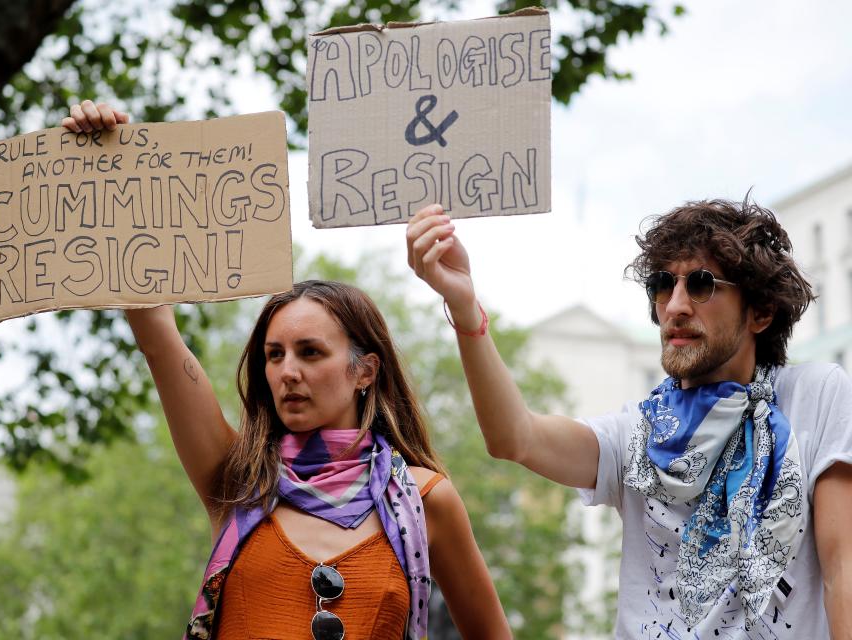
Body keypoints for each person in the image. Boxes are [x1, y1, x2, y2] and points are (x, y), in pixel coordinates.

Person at [61, 103, 512, 640]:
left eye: (310, 352)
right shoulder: (238, 480)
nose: (287, 372)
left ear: (364, 371)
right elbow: (154, 329)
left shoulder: (427, 499)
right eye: (274, 355)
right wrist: (121, 162)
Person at [406, 198, 852, 638]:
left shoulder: (817, 395)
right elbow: (514, 437)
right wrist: (465, 304)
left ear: (761, 312)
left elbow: (842, 569)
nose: (675, 305)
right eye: (663, 284)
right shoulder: (636, 433)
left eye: (700, 284)